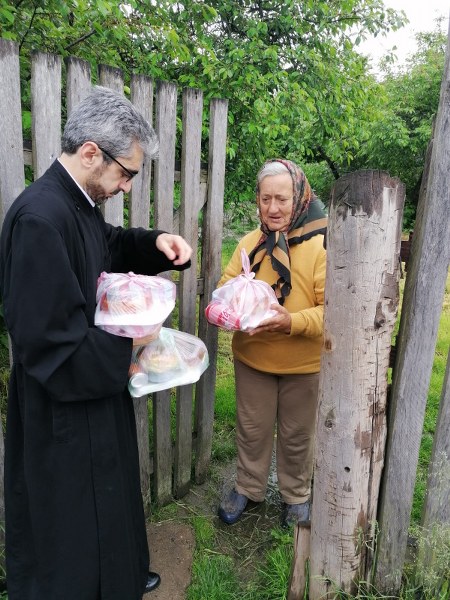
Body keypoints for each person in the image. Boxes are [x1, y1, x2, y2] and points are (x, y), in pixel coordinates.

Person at [0, 86, 193, 600]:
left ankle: (121, 577)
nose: (126, 186)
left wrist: (155, 244)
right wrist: (132, 349)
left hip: (94, 387)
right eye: (126, 173)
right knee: (72, 523)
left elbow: (104, 246)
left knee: (110, 498)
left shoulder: (78, 203)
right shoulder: (39, 218)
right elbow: (48, 345)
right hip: (60, 407)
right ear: (91, 152)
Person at [217, 159, 327, 528]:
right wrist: (225, 307)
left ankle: (296, 495)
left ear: (300, 198)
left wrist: (290, 322)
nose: (273, 208)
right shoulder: (250, 243)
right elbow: (226, 285)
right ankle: (248, 487)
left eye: (282, 199)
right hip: (253, 360)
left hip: (304, 365)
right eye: (266, 199)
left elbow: (333, 312)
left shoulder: (321, 245)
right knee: (252, 429)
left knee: (297, 434)